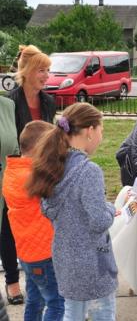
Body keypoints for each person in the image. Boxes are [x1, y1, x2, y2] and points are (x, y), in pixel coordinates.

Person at [25, 102, 117, 321]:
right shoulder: (89, 171)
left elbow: (48, 209)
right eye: (101, 130)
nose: (101, 136)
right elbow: (98, 221)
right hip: (93, 263)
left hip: (66, 259)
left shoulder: (52, 164)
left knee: (72, 314)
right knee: (103, 313)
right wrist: (111, 208)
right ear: (89, 131)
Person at [3, 45, 55, 305]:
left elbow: (51, 136)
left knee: (38, 225)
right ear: (28, 71)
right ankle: (12, 282)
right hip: (16, 170)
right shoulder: (10, 101)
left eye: (48, 70)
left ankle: (36, 274)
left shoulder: (49, 101)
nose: (46, 76)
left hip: (41, 170)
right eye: (41, 70)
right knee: (9, 225)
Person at [3, 121, 65, 320]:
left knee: (34, 300)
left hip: (27, 253)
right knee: (57, 303)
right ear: (41, 148)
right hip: (44, 254)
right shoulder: (33, 177)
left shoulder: (13, 171)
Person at [0, 97, 20, 306]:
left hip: (6, 186)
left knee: (6, 234)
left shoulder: (7, 105)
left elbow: (14, 151)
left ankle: (12, 281)